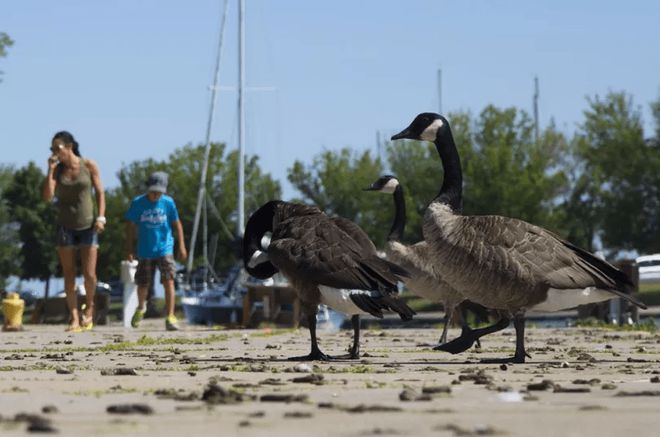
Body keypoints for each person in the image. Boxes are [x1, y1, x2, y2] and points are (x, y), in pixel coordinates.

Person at [42, 131, 105, 332]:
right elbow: (47, 197)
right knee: (69, 274)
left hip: (88, 225)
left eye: (57, 148)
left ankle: (89, 309)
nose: (54, 152)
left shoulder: (89, 165)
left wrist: (101, 217)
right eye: (52, 149)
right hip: (65, 226)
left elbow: (100, 192)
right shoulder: (57, 170)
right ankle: (74, 316)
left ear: (69, 147)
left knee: (89, 274)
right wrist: (50, 171)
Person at [125, 171, 187, 331]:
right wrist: (129, 248)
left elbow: (177, 224)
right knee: (143, 283)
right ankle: (140, 307)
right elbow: (130, 225)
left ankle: (170, 316)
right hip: (145, 250)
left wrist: (181, 245)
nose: (155, 195)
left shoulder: (168, 203)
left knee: (169, 281)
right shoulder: (138, 203)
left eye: (159, 192)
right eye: (153, 192)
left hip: (165, 248)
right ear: (148, 189)